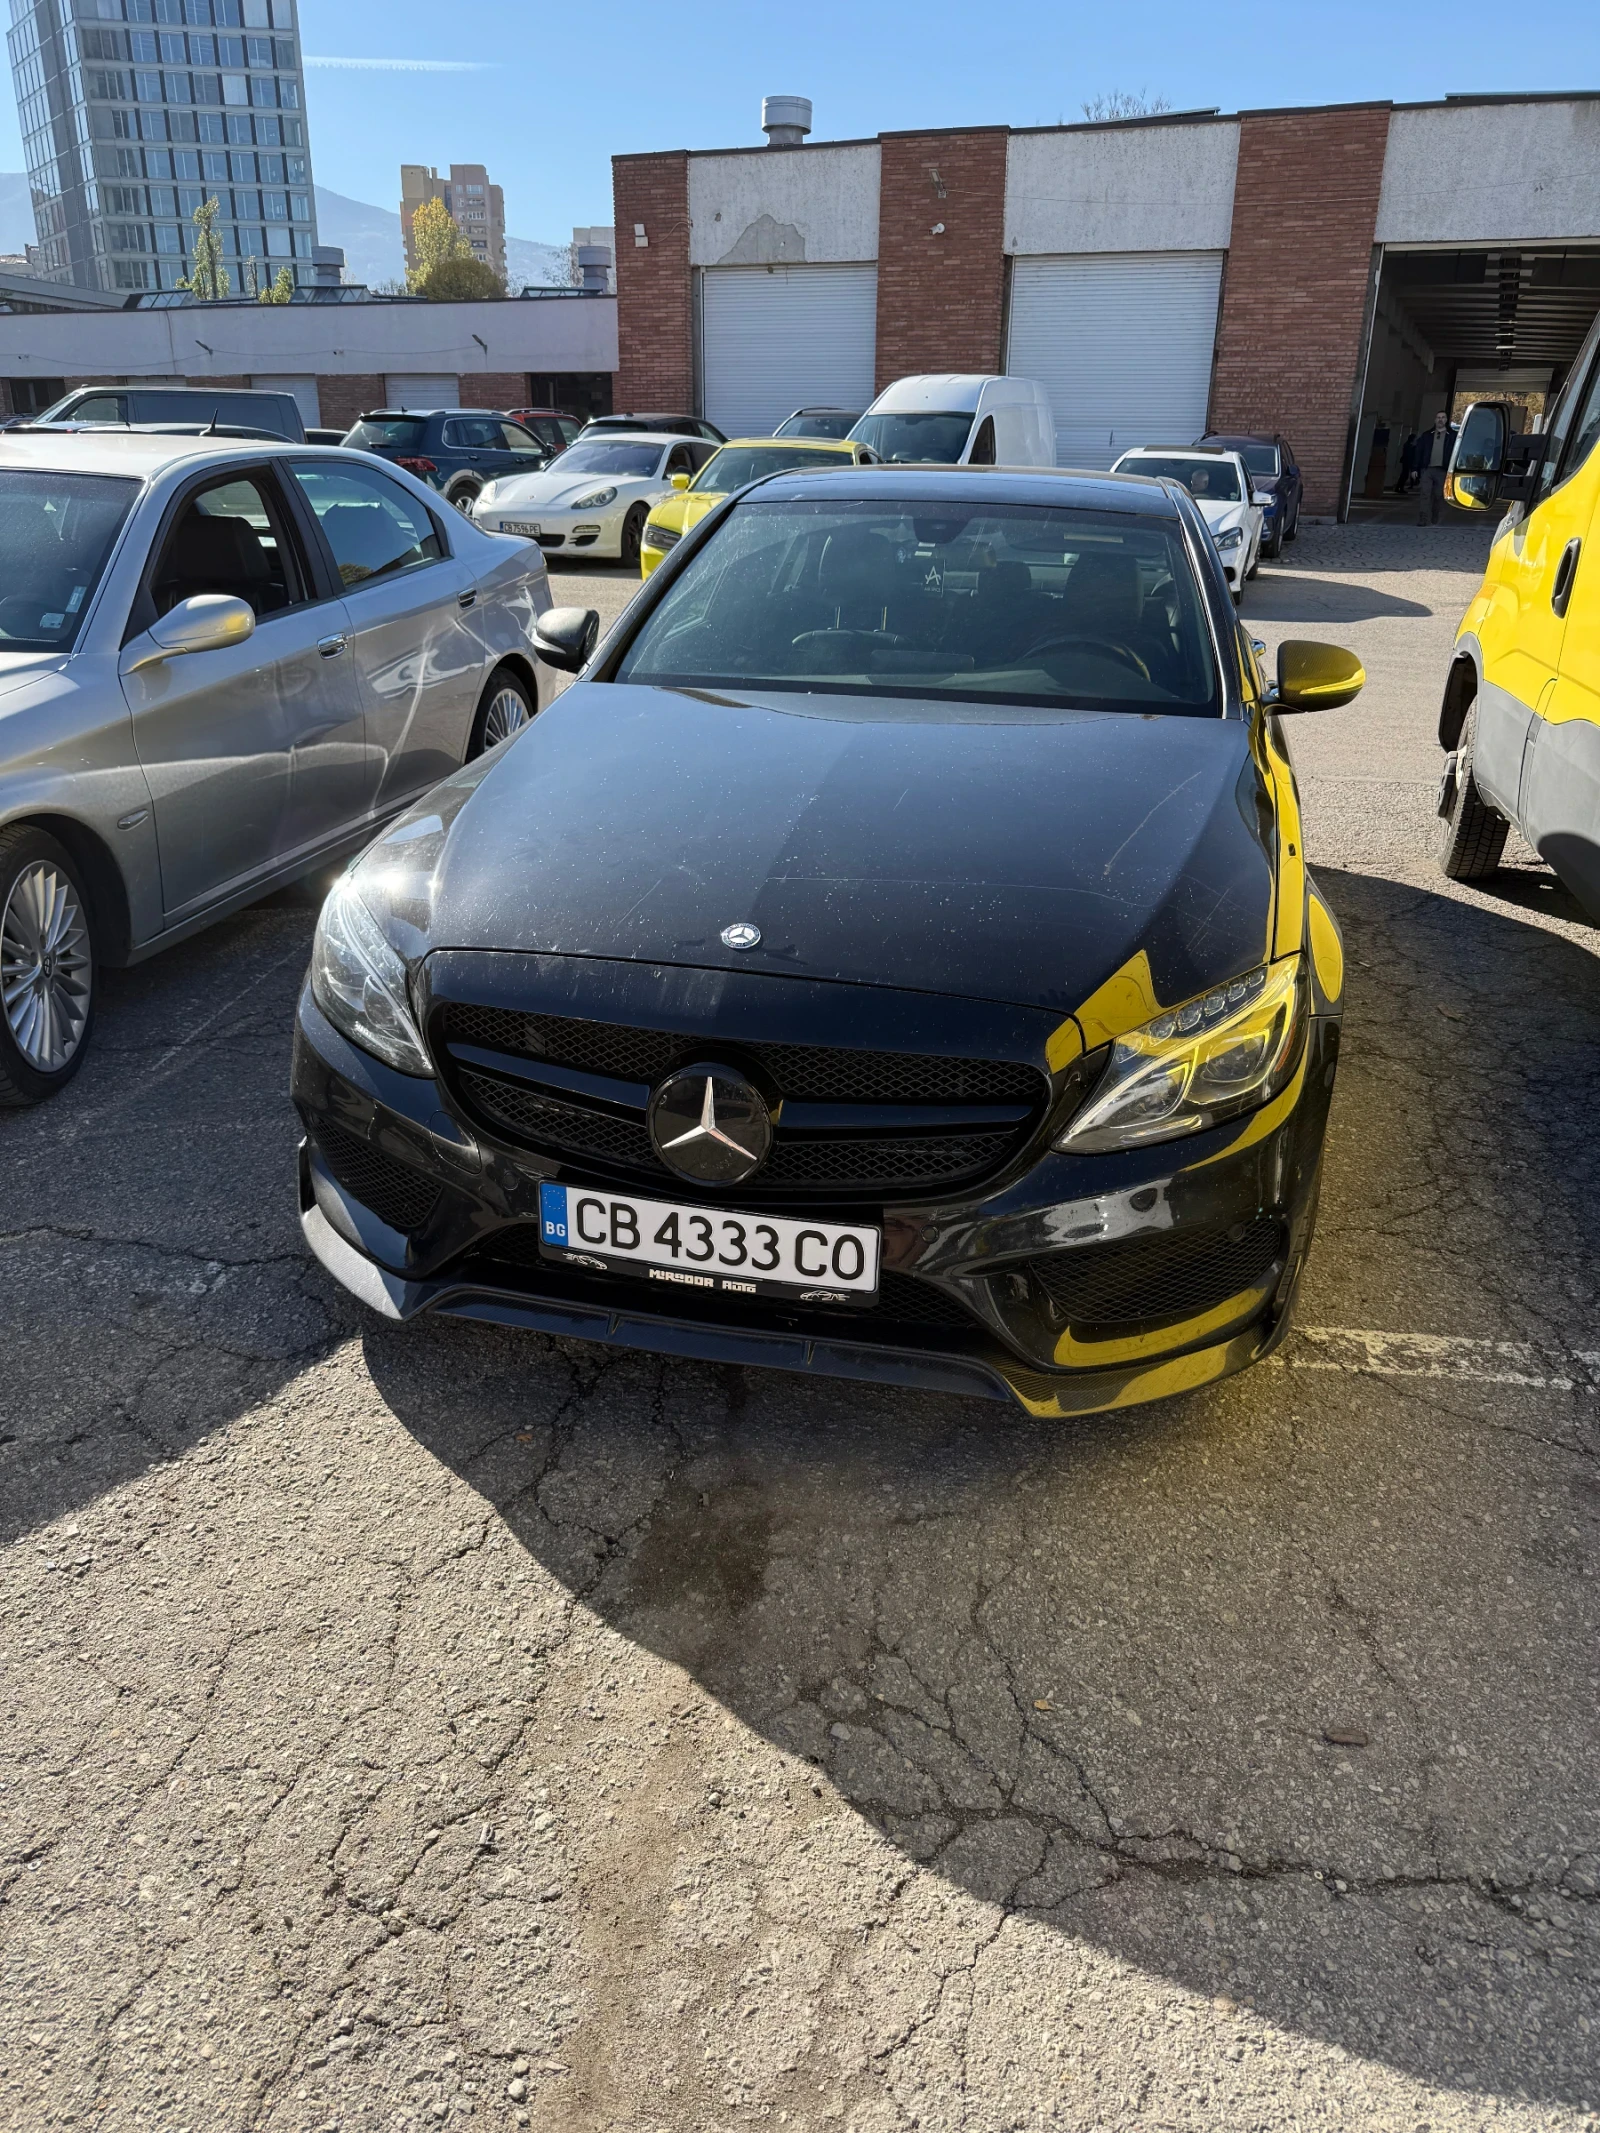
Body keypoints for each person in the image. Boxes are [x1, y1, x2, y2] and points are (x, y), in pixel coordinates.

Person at [1417, 411, 1458, 525]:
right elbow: (1419, 452)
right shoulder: (1427, 435)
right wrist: (1415, 468)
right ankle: (1423, 519)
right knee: (1425, 494)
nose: (1440, 419)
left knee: (1438, 495)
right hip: (1427, 469)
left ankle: (1435, 514)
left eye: (1443, 417)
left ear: (1446, 420)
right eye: (1438, 417)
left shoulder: (1453, 436)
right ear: (1435, 420)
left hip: (1442, 470)